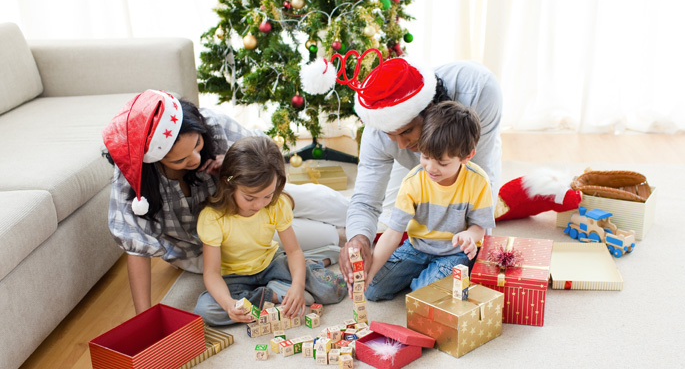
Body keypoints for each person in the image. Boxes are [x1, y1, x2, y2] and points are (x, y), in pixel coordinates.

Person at [102, 90, 348, 314]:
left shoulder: (212, 125)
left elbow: (267, 154)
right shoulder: (134, 180)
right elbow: (136, 247)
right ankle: (311, 263)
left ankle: (359, 227)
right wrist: (144, 318)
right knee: (328, 236)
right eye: (181, 160)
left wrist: (229, 164)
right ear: (156, 161)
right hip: (212, 246)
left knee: (328, 205)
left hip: (256, 199)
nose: (197, 159)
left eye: (198, 145)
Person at [334, 53, 503, 293]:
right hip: (422, 190)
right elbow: (367, 201)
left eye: (407, 131)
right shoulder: (380, 133)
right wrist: (358, 237)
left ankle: (441, 271)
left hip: (466, 150)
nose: (401, 145)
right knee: (398, 213)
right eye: (391, 135)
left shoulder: (479, 89)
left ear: (430, 109)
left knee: (469, 207)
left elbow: (477, 185)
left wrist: (471, 239)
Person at [193, 136, 347, 326]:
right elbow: (212, 273)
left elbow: (293, 251)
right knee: (206, 311)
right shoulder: (212, 217)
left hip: (271, 263)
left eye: (267, 195)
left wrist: (298, 287)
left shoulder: (276, 204)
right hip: (234, 278)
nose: (259, 204)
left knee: (335, 288)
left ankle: (293, 279)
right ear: (229, 184)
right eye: (250, 198)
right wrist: (228, 305)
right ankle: (270, 293)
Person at [364, 101, 495, 300]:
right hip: (417, 247)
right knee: (373, 290)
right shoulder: (413, 181)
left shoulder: (478, 181)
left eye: (442, 163)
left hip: (453, 253)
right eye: (425, 157)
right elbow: (393, 233)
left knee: (424, 299)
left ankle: (425, 282)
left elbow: (480, 226)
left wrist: (469, 235)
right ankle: (423, 278)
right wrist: (370, 272)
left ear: (467, 157)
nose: (431, 168)